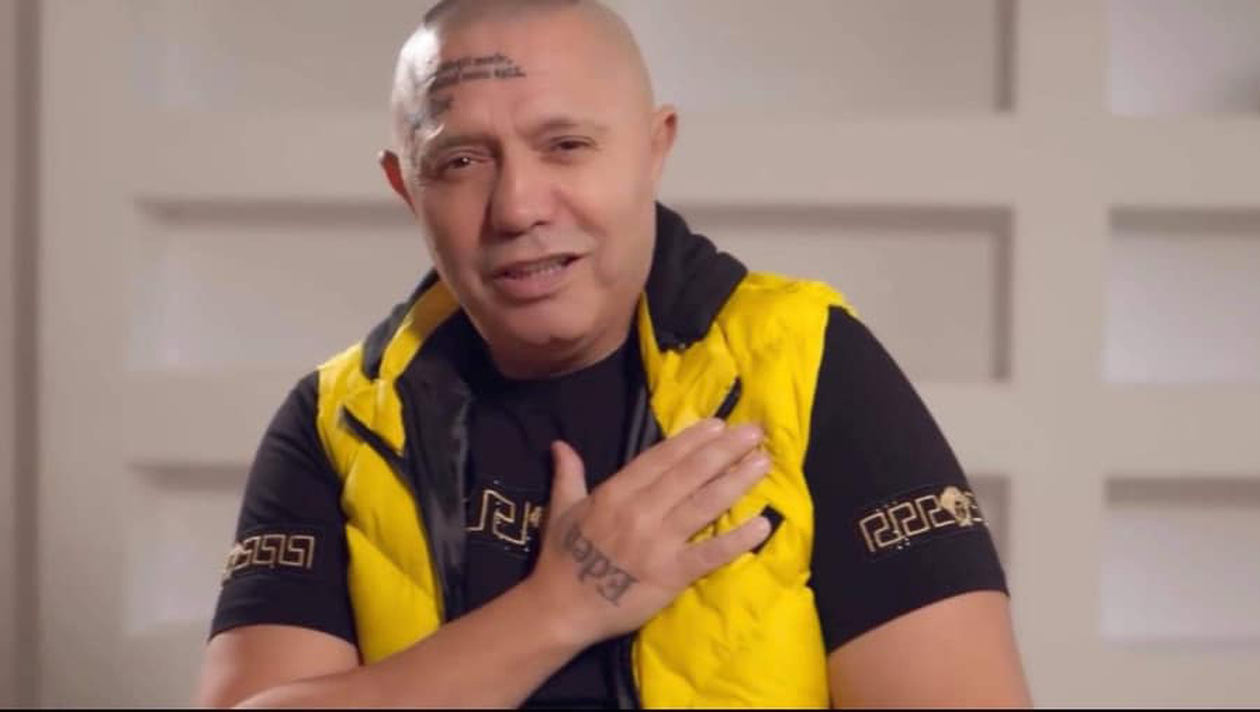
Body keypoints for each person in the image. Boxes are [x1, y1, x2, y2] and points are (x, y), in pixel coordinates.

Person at [196, 0, 1031, 707]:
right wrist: (562, 607)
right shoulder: (340, 418)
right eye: (461, 160)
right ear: (405, 187)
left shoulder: (805, 362)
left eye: (565, 145)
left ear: (654, 147)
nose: (518, 206)